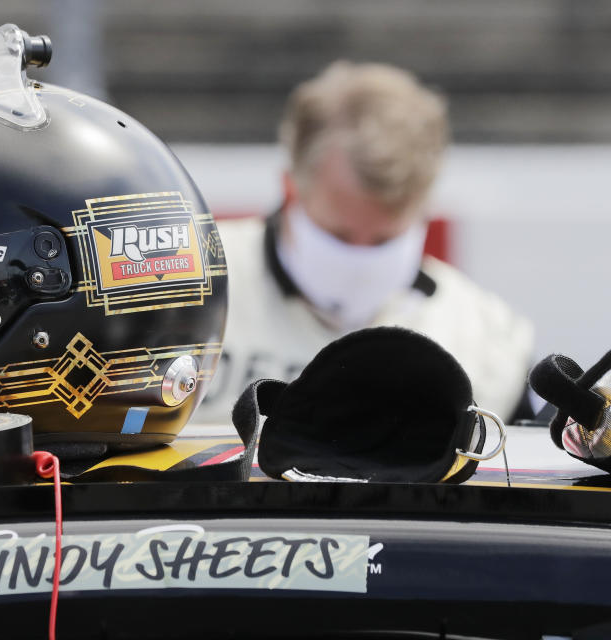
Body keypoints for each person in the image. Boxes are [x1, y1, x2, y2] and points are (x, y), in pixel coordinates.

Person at [196, 61, 534, 423]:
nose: (359, 258)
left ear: (424, 207)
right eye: (338, 235)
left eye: (385, 240)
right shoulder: (192, 286)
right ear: (290, 186)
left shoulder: (487, 340)